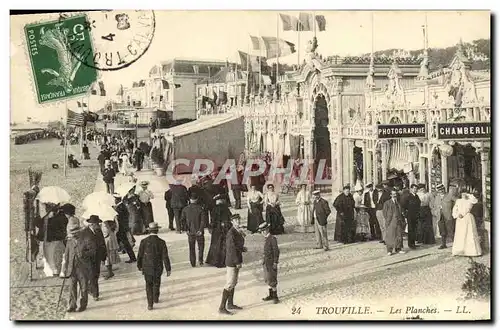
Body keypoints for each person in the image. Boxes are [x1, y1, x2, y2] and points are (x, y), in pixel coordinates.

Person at [60, 220, 95, 313]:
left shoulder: (86, 239)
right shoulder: (69, 241)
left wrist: (84, 254)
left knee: (83, 287)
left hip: (83, 267)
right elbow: (66, 255)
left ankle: (83, 305)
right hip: (71, 268)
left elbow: (93, 251)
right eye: (72, 233)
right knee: (72, 287)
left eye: (75, 233)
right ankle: (72, 305)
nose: (73, 235)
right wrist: (64, 268)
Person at [137, 222, 172, 310]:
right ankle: (156, 298)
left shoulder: (144, 241)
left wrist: (139, 265)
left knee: (148, 284)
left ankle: (150, 304)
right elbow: (165, 256)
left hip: (147, 267)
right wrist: (168, 269)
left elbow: (140, 255)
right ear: (157, 231)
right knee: (157, 283)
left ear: (149, 231)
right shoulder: (162, 242)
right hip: (158, 267)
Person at [218, 217, 246, 315]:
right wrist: (237, 261)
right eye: (236, 220)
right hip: (232, 261)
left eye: (239, 220)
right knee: (230, 283)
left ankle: (230, 304)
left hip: (234, 260)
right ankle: (222, 307)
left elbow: (237, 245)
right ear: (232, 222)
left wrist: (242, 248)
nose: (238, 222)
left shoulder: (236, 231)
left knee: (233, 283)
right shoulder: (231, 233)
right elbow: (231, 249)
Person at [34, 203, 68, 277]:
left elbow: (60, 226)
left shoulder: (60, 216)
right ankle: (54, 271)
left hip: (56, 240)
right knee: (48, 256)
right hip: (48, 240)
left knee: (56, 256)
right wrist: (37, 218)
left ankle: (57, 272)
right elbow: (40, 224)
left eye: (48, 207)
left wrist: (51, 219)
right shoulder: (48, 215)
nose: (46, 209)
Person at [81, 215, 107, 301]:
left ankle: (91, 289)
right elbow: (81, 247)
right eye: (97, 224)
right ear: (92, 224)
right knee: (92, 276)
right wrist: (83, 256)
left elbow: (103, 244)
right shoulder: (84, 233)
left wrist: (104, 257)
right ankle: (96, 294)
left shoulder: (99, 231)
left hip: (98, 257)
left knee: (96, 275)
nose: (98, 225)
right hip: (88, 258)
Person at [452, 191, 482, 257]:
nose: (464, 195)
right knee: (460, 234)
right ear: (460, 194)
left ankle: (472, 251)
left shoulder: (470, 200)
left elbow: (475, 201)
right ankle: (460, 250)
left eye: (465, 193)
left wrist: (469, 195)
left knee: (469, 234)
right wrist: (457, 214)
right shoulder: (458, 201)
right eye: (462, 193)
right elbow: (455, 209)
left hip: (468, 218)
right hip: (460, 219)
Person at [181, 193, 207, 267]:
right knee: (201, 247)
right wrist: (200, 229)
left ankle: (193, 263)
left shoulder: (185, 209)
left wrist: (186, 229)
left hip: (190, 232)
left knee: (191, 248)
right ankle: (201, 261)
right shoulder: (200, 208)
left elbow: (182, 220)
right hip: (199, 232)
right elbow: (203, 221)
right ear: (197, 199)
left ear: (190, 199)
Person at [206, 195, 232, 268]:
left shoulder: (214, 209)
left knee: (215, 244)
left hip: (216, 229)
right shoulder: (226, 209)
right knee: (224, 244)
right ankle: (223, 261)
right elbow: (229, 218)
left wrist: (211, 228)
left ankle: (214, 260)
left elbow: (212, 220)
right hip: (225, 228)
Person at [258, 222, 280, 304]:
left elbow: (276, 251)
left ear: (268, 229)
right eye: (262, 231)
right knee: (268, 278)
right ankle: (271, 295)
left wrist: (275, 262)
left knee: (272, 279)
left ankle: (275, 296)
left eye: (264, 230)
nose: (263, 232)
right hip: (266, 263)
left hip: (271, 263)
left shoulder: (272, 238)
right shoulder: (266, 238)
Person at [113, 193, 136, 263]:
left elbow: (119, 218)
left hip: (121, 229)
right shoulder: (121, 206)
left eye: (114, 199)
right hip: (122, 228)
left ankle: (132, 257)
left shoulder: (120, 207)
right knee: (122, 243)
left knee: (123, 243)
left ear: (117, 199)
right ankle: (132, 257)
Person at [383, 189, 406, 256]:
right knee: (390, 235)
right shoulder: (387, 203)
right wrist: (388, 220)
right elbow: (384, 213)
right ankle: (389, 250)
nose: (394, 195)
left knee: (399, 235)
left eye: (395, 194)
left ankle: (398, 249)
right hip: (391, 221)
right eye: (393, 194)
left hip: (398, 221)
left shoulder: (398, 203)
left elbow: (400, 211)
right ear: (390, 195)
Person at [402, 184, 420, 249]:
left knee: (415, 229)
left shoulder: (417, 196)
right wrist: (405, 215)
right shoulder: (408, 196)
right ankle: (411, 244)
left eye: (416, 189)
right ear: (411, 189)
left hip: (416, 215)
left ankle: (413, 243)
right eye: (414, 188)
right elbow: (403, 206)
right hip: (410, 215)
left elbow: (418, 205)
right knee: (411, 230)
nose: (415, 190)